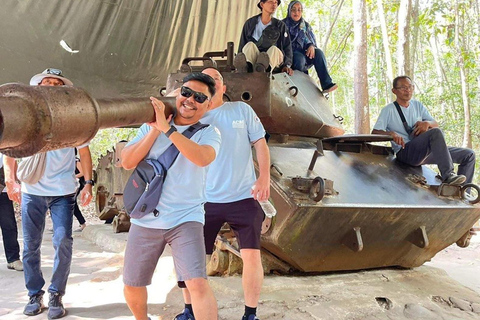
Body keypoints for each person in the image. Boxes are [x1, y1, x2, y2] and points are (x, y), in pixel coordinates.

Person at [121, 73, 221, 320]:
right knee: (133, 283)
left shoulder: (209, 132)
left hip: (185, 217)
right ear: (178, 94)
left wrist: (168, 130)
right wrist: (155, 131)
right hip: (145, 217)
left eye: (200, 97)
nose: (190, 100)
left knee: (196, 283)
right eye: (186, 92)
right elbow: (127, 161)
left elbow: (201, 157)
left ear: (208, 105)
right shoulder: (149, 126)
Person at [174, 67, 271, 320]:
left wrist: (264, 177)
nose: (212, 81)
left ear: (223, 88)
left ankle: (250, 314)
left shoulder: (240, 110)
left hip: (243, 196)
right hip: (203, 200)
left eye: (216, 78)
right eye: (206, 79)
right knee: (193, 259)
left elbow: (260, 142)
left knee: (251, 256)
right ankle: (189, 310)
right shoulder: (191, 116)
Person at [3, 68, 93, 319]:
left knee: (63, 240)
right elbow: (9, 149)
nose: (52, 86)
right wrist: (11, 180)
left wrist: (88, 183)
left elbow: (84, 153)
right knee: (31, 246)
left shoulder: (74, 117)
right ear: (39, 87)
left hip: (63, 193)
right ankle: (34, 293)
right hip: (32, 191)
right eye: (47, 82)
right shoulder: (26, 115)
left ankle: (56, 293)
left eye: (57, 83)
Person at [372, 75, 475, 185]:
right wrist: (391, 134)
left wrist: (426, 123)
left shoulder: (417, 105)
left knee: (469, 155)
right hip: (405, 153)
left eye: (410, 87)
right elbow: (375, 133)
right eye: (403, 88)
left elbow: (435, 124)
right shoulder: (389, 110)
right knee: (435, 133)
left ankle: (463, 192)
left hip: (425, 152)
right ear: (394, 91)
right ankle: (448, 175)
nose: (408, 90)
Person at [283, 0, 338, 93]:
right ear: (289, 11)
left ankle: (326, 84)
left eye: (299, 10)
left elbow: (311, 41)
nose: (296, 12)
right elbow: (280, 43)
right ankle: (297, 87)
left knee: (318, 53)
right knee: (300, 58)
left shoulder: (305, 26)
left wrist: (311, 46)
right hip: (288, 55)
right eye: (293, 10)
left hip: (303, 53)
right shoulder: (282, 25)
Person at [238, 0, 293, 75]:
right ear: (262, 4)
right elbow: (242, 43)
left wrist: (287, 65)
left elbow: (287, 47)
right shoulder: (250, 23)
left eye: (275, 3)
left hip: (273, 60)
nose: (274, 5)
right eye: (270, 2)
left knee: (274, 49)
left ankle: (264, 70)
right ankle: (247, 68)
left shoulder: (280, 25)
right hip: (254, 58)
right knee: (249, 45)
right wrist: (239, 57)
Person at [0, 153, 23, 271]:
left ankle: (13, 259)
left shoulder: (5, 140)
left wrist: (16, 181)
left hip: (3, 188)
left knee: (9, 225)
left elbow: (11, 159)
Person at [73, 156, 87, 232]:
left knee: (73, 204)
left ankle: (82, 224)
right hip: (72, 184)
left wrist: (72, 177)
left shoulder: (76, 161)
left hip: (78, 184)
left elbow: (82, 173)